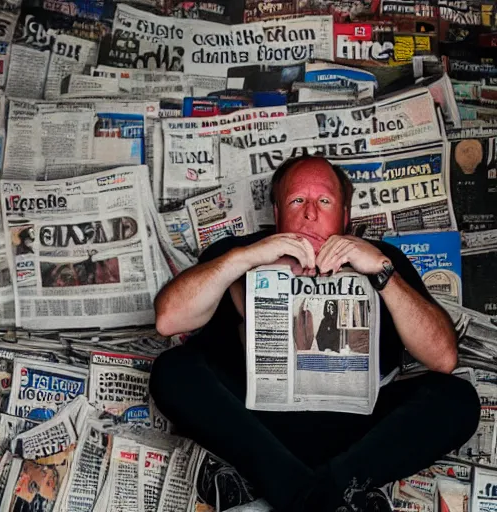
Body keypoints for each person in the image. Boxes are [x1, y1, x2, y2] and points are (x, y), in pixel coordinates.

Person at [149, 156, 480, 512]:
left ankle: (314, 494)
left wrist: (383, 274)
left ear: (345, 215)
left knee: (457, 398)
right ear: (276, 212)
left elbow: (443, 357)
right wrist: (245, 259)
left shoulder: (382, 259)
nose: (310, 213)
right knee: (172, 369)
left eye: (324, 201)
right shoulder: (238, 253)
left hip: (358, 432)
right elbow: (168, 320)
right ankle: (315, 496)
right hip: (256, 427)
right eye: (297, 201)